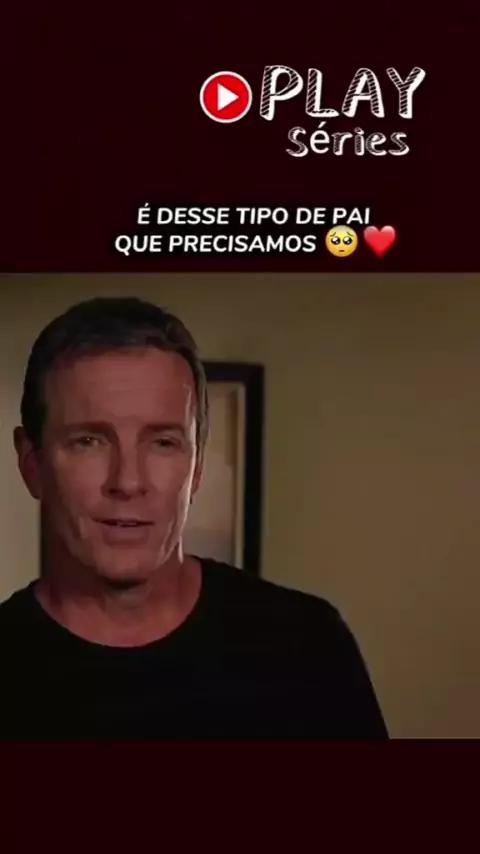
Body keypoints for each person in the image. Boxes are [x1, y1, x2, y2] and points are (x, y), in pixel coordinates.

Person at [0, 296, 388, 739]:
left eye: (163, 443)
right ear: (31, 463)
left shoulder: (307, 646)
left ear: (197, 465)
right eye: (89, 441)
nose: (128, 481)